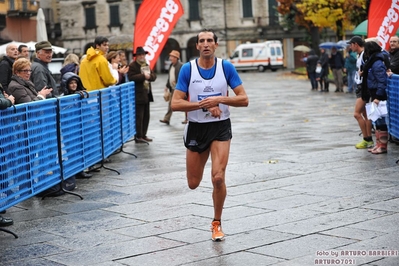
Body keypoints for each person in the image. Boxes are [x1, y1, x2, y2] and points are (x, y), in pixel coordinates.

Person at [171, 29, 249, 241]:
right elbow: (175, 103)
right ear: (197, 46)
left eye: (209, 41)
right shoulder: (188, 69)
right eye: (202, 41)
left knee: (217, 177)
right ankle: (204, 160)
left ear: (216, 45)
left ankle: (216, 222)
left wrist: (220, 100)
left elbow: (244, 99)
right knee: (193, 183)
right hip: (196, 127)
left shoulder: (226, 67)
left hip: (220, 127)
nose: (206, 44)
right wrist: (204, 104)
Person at [362, 41, 389, 154]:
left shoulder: (377, 63)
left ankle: (382, 146)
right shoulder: (372, 61)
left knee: (381, 121)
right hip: (373, 93)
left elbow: (382, 81)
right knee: (376, 121)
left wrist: (378, 96)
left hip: (378, 95)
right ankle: (378, 144)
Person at [127, 46, 157, 143]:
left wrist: (149, 77)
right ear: (136, 56)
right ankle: (138, 136)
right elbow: (131, 77)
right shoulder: (132, 65)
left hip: (147, 94)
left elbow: (153, 76)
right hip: (138, 94)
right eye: (139, 55)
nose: (141, 56)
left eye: (143, 54)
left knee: (146, 116)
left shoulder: (146, 65)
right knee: (139, 116)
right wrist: (143, 76)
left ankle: (144, 134)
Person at [349, 36, 374, 149]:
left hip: (364, 87)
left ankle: (367, 139)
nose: (350, 47)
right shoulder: (359, 55)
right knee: (365, 114)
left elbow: (371, 68)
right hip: (360, 86)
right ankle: (368, 139)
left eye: (351, 44)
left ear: (356, 44)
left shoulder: (364, 54)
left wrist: (364, 74)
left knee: (356, 114)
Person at [160, 50, 183, 125]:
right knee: (171, 104)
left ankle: (188, 118)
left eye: (172, 57)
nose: (170, 58)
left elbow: (183, 76)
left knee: (185, 102)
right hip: (173, 88)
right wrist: (167, 85)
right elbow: (169, 77)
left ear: (176, 58)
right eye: (170, 56)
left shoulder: (180, 66)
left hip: (179, 88)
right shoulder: (171, 65)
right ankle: (167, 118)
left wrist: (178, 83)